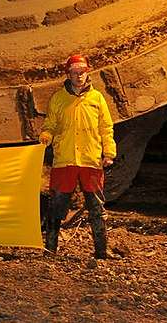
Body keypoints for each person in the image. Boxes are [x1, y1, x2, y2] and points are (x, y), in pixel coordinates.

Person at [39, 54, 117, 259]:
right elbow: (51, 124)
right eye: (75, 73)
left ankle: (101, 251)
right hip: (65, 160)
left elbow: (106, 128)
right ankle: (50, 250)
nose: (79, 76)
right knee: (56, 207)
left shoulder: (97, 98)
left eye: (82, 72)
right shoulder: (58, 98)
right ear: (68, 74)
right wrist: (46, 134)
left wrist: (109, 153)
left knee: (97, 208)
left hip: (91, 161)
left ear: (87, 73)